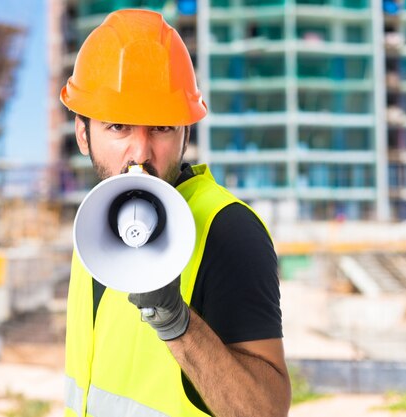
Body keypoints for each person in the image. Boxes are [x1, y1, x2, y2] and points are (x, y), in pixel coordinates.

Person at [60, 9, 291, 417]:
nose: (141, 153)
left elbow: (264, 411)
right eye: (118, 127)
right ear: (83, 133)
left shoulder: (229, 230)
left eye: (162, 128)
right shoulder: (91, 229)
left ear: (186, 131)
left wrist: (175, 322)